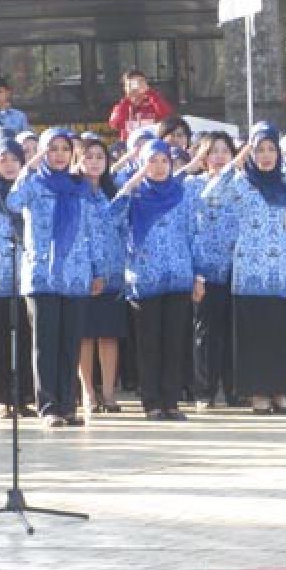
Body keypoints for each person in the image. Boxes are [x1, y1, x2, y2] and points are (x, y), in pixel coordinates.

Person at [202, 124, 286, 415]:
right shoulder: (241, 183)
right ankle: (258, 394)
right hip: (250, 272)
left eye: (271, 149)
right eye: (258, 150)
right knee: (255, 335)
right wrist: (234, 163)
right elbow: (211, 196)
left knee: (283, 333)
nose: (265, 156)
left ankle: (280, 391)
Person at [7, 128, 106, 427]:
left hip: (76, 274)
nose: (59, 155)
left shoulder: (82, 187)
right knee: (45, 343)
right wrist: (31, 165)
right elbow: (12, 202)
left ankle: (67, 405)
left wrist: (98, 269)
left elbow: (94, 230)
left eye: (65, 149)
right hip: (42, 275)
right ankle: (48, 406)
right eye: (53, 149)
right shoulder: (34, 184)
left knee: (70, 343)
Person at [112, 139, 203, 420]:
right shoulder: (134, 196)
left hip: (178, 276)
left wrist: (199, 276)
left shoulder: (183, 194)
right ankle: (151, 401)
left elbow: (195, 234)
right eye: (152, 161)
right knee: (149, 343)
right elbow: (111, 216)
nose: (160, 167)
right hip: (145, 278)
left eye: (164, 161)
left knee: (175, 342)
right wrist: (133, 182)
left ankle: (171, 401)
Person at [182, 132, 242, 408]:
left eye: (224, 151)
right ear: (203, 157)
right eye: (213, 151)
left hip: (236, 270)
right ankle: (204, 391)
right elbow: (186, 230)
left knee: (233, 333)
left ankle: (235, 390)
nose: (219, 157)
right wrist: (194, 273)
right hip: (204, 270)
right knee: (205, 334)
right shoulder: (192, 186)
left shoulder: (241, 185)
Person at [0, 137, 38, 417]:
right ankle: (1, 398)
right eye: (2, 160)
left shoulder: (29, 190)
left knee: (26, 337)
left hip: (26, 271)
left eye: (14, 159)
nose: (9, 165)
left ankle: (24, 395)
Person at [75, 138, 126, 414]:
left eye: (99, 157)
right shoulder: (74, 192)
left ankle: (108, 392)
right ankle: (88, 392)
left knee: (109, 335)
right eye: (89, 157)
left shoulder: (112, 190)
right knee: (85, 335)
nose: (94, 162)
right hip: (83, 273)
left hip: (113, 273)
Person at [108, 70, 175, 139]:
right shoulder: (121, 106)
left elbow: (167, 115)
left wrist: (150, 93)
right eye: (131, 84)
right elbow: (115, 125)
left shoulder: (154, 103)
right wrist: (127, 100)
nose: (136, 86)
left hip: (151, 144)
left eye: (140, 82)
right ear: (125, 88)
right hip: (130, 145)